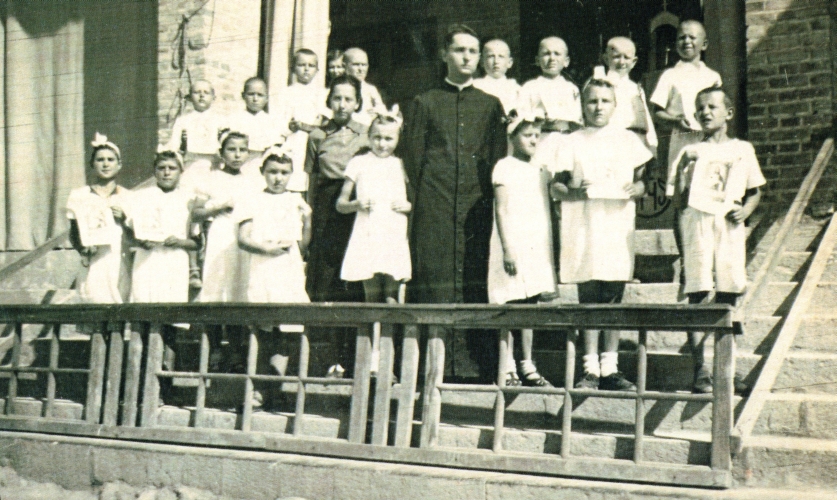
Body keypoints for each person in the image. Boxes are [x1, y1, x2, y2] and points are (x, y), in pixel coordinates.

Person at [398, 24, 507, 382]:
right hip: (435, 204)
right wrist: (433, 194)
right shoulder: (424, 102)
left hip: (476, 206)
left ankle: (475, 368)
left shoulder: (491, 106)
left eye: (473, 51)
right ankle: (432, 369)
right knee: (433, 276)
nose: (467, 57)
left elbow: (497, 159)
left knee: (475, 277)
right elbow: (413, 159)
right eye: (459, 50)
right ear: (444, 54)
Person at [550, 79, 652, 391]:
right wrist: (573, 194)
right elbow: (557, 186)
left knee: (612, 292)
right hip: (584, 222)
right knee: (590, 292)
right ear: (582, 105)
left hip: (615, 221)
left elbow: (644, 181)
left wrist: (639, 188)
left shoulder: (628, 140)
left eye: (605, 101)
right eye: (592, 101)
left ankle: (611, 368)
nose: (598, 107)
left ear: (614, 106)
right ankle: (589, 369)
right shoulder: (571, 141)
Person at [667, 87, 765, 393]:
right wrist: (686, 174)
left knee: (728, 293)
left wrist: (745, 211)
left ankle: (728, 368)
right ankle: (702, 370)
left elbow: (756, 190)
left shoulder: (742, 149)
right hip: (697, 222)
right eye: (700, 108)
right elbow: (679, 203)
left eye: (712, 106)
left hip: (727, 222)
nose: (706, 112)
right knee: (698, 292)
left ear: (728, 113)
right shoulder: (691, 151)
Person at [236, 150, 312, 408]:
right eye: (272, 172)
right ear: (263, 173)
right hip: (263, 267)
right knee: (263, 329)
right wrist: (266, 249)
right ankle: (258, 389)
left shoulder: (295, 200)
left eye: (284, 172)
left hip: (288, 269)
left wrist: (308, 217)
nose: (278, 178)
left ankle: (276, 387)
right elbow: (243, 239)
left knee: (286, 329)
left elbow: (303, 244)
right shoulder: (252, 199)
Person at [305, 74, 369, 378]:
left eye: (348, 98)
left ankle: (354, 358)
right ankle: (328, 359)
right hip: (326, 207)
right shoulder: (317, 135)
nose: (342, 104)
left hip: (356, 205)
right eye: (337, 98)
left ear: (357, 103)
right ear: (329, 101)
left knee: (353, 281)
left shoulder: (367, 134)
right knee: (327, 279)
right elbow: (311, 180)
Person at [125, 148, 199, 403]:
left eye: (172, 168)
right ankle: (137, 387)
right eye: (161, 168)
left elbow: (197, 242)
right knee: (143, 322)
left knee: (169, 326)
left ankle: (163, 387)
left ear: (180, 171)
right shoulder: (140, 197)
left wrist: (180, 241)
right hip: (147, 263)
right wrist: (139, 241)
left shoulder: (190, 199)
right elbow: (131, 234)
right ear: (154, 171)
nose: (166, 172)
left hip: (174, 265)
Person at [488, 113, 555, 387]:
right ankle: (507, 366)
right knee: (509, 303)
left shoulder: (540, 168)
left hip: (535, 244)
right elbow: (501, 209)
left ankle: (527, 363)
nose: (533, 140)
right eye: (527, 135)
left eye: (537, 135)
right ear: (512, 137)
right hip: (511, 243)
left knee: (531, 304)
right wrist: (507, 249)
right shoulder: (504, 166)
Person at [337, 108, 411, 302]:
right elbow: (341, 204)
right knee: (371, 295)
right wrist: (356, 204)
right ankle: (369, 333)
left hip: (392, 233)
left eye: (388, 139)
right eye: (377, 137)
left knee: (390, 295)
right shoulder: (358, 163)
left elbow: (415, 202)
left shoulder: (402, 164)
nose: (382, 143)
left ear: (397, 139)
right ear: (368, 137)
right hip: (367, 232)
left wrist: (408, 206)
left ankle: (389, 333)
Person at [192, 130, 262, 303]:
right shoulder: (212, 178)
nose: (237, 155)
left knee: (241, 280)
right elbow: (196, 213)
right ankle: (213, 327)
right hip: (221, 234)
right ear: (221, 153)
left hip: (246, 235)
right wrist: (219, 208)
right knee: (218, 279)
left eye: (242, 150)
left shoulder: (254, 181)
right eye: (231, 150)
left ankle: (237, 328)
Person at [66, 133, 131, 305]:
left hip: (118, 260)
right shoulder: (80, 195)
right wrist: (83, 248)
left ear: (119, 165)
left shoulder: (128, 196)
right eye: (100, 159)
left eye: (110, 159)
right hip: (95, 261)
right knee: (95, 308)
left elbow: (136, 233)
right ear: (92, 164)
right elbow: (74, 232)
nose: (105, 164)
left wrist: (124, 219)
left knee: (117, 312)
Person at [650, 20, 722, 175]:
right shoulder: (669, 76)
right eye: (682, 38)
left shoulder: (712, 77)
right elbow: (656, 113)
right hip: (681, 139)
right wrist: (676, 121)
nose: (687, 41)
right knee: (680, 183)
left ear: (704, 44)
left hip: (708, 137)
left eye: (692, 37)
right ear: (676, 44)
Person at [274, 49, 330, 195]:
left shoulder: (323, 93)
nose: (306, 69)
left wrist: (310, 125)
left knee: (312, 184)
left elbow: (324, 119)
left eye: (311, 66)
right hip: (295, 142)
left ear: (317, 70)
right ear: (293, 68)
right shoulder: (286, 93)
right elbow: (279, 122)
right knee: (294, 181)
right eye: (301, 65)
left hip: (314, 142)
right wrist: (289, 128)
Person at [593, 37, 657, 152]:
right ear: (606, 59)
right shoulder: (600, 85)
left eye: (626, 57)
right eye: (616, 57)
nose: (622, 62)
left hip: (634, 142)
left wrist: (652, 143)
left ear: (633, 62)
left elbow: (645, 116)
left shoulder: (636, 88)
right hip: (608, 140)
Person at [517, 37, 582, 134]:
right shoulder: (530, 87)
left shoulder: (571, 88)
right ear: (537, 60)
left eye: (557, 54)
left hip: (565, 138)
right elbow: (521, 116)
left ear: (566, 61)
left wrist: (560, 118)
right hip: (539, 137)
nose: (552, 58)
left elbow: (577, 120)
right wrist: (539, 118)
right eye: (546, 54)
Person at [164, 79, 224, 166]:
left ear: (213, 98)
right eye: (197, 92)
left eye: (206, 92)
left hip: (214, 164)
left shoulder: (220, 120)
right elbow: (174, 144)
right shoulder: (183, 120)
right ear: (190, 98)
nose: (201, 95)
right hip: (190, 163)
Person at [229, 77, 284, 156]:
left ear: (267, 98)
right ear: (243, 96)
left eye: (260, 95)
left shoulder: (271, 121)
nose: (255, 99)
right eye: (251, 94)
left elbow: (275, 145)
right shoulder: (234, 119)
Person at [473, 38, 520, 115]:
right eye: (491, 56)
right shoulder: (475, 86)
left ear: (509, 62)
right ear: (482, 61)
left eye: (501, 56)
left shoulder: (516, 89)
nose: (496, 61)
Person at [343, 48, 386, 126]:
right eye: (356, 64)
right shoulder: (338, 87)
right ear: (344, 66)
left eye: (364, 65)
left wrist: (378, 112)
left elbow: (382, 110)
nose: (361, 69)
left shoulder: (370, 89)